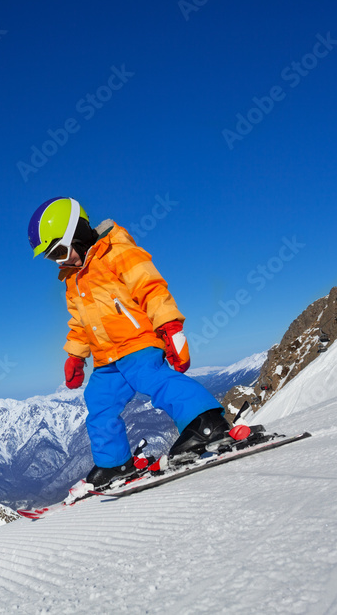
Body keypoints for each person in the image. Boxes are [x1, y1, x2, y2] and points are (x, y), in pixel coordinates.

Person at [28, 197, 232, 487]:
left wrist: (170, 326)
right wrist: (75, 355)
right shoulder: (72, 282)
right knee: (98, 403)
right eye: (52, 258)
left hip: (137, 342)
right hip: (105, 358)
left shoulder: (116, 251)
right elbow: (79, 324)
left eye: (60, 250)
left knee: (155, 380)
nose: (61, 261)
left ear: (80, 233)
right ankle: (114, 464)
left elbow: (150, 287)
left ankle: (206, 423)